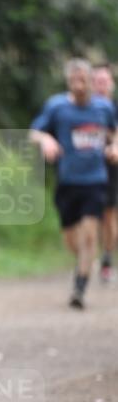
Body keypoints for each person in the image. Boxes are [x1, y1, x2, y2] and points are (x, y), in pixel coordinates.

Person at [30, 58, 117, 309]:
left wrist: (115, 146)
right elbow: (34, 132)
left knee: (90, 235)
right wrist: (45, 140)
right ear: (68, 83)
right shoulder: (57, 107)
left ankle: (80, 286)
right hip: (67, 182)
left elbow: (114, 131)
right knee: (72, 239)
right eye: (73, 81)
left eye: (83, 80)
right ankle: (84, 263)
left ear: (91, 81)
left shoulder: (104, 108)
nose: (79, 86)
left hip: (96, 180)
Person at [92, 63, 118, 282]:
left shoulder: (114, 109)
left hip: (111, 168)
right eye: (97, 82)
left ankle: (107, 259)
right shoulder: (85, 108)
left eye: (104, 81)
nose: (101, 86)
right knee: (91, 216)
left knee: (109, 215)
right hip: (87, 168)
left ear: (111, 84)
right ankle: (90, 256)